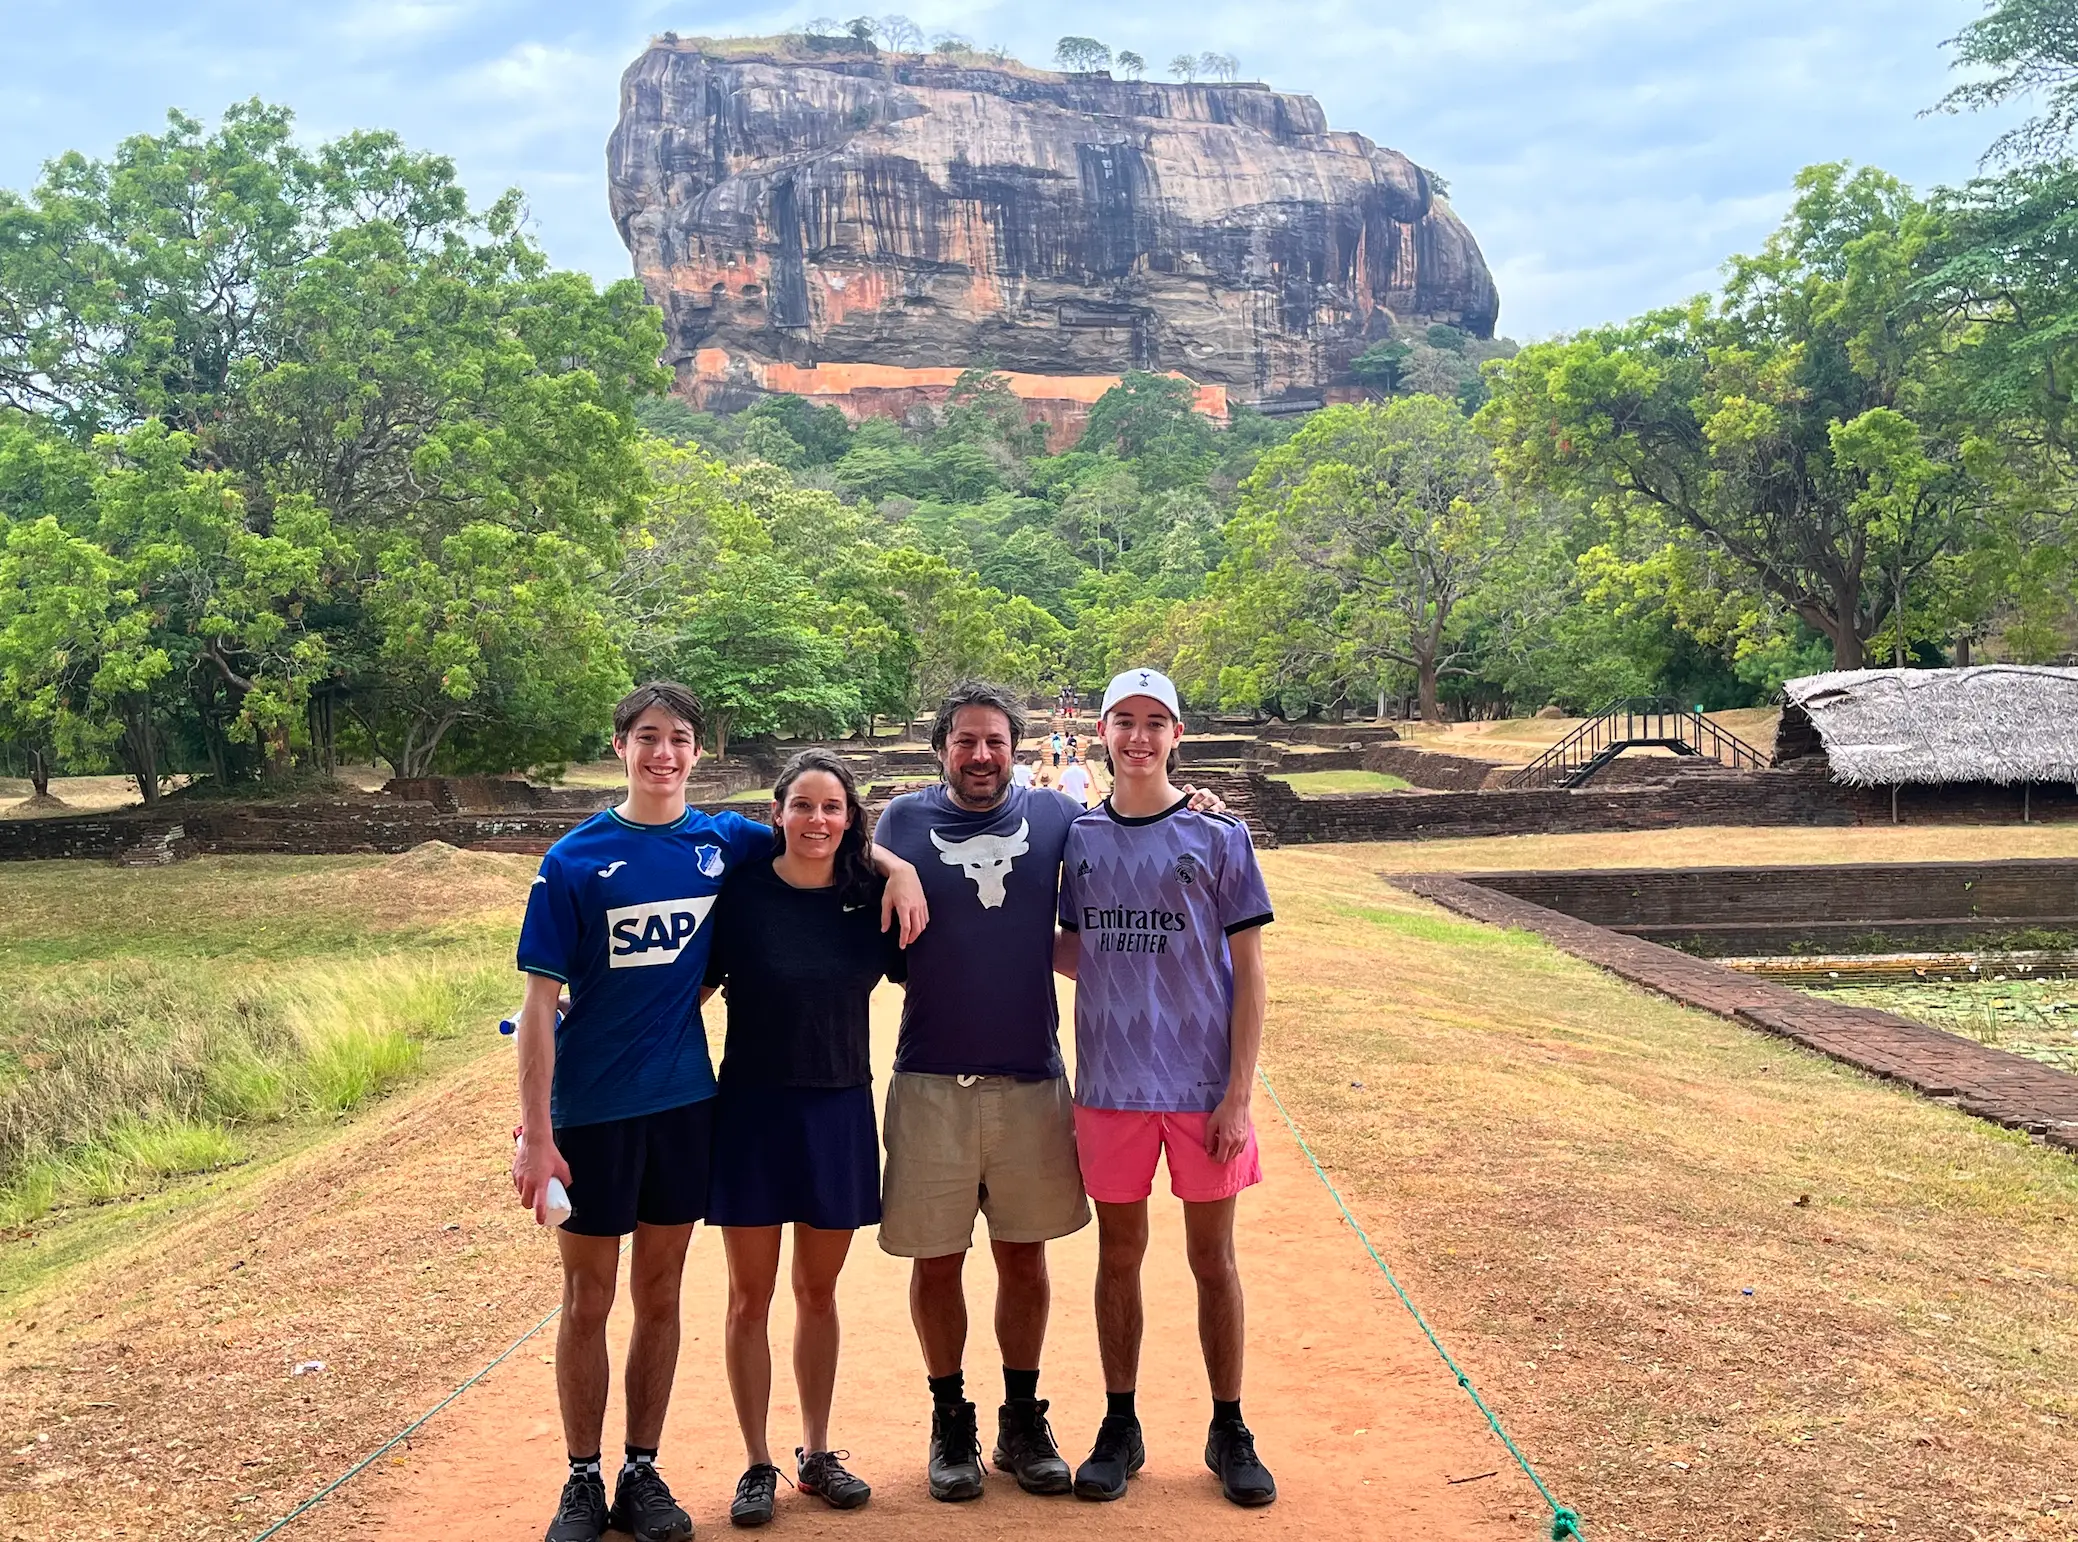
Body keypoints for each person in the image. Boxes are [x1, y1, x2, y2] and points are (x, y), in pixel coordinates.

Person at [512, 684, 927, 1542]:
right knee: (590, 1297)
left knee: (661, 1293)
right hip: (597, 1106)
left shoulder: (719, 840)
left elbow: (826, 832)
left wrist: (901, 863)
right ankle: (584, 1479)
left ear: (698, 753)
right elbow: (539, 1006)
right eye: (649, 738)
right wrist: (538, 1129)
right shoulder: (574, 860)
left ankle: (643, 1469)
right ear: (621, 744)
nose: (665, 754)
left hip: (688, 1106)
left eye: (680, 740)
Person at [869, 681, 1229, 1506]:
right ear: (940, 747)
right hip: (930, 1072)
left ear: (1018, 749)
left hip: (1031, 1070)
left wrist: (1198, 799)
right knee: (937, 1259)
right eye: (964, 741)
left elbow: (1134, 824)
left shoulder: (1057, 820)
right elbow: (838, 838)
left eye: (996, 741)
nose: (980, 755)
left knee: (1023, 1256)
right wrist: (889, 863)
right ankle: (949, 1414)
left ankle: (1022, 1415)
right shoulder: (903, 823)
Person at [1054, 668, 1277, 1508]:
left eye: (1156, 722)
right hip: (1110, 1083)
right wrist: (985, 935)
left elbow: (1250, 976)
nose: (1139, 736)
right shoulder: (1078, 839)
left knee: (1211, 1259)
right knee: (1119, 1258)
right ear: (1099, 735)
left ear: (1177, 735)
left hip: (1198, 1085)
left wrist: (1238, 1096)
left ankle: (1229, 1426)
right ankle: (1121, 1422)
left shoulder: (1220, 839)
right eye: (1124, 721)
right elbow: (1079, 951)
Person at [702, 751, 904, 1527]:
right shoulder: (742, 896)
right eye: (803, 806)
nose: (817, 820)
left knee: (817, 1295)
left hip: (837, 1109)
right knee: (748, 1299)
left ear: (851, 818)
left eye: (833, 808)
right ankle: (756, 1461)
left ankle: (817, 1453)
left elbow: (927, 967)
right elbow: (691, 989)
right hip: (753, 1110)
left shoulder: (869, 897)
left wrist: (903, 873)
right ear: (777, 813)